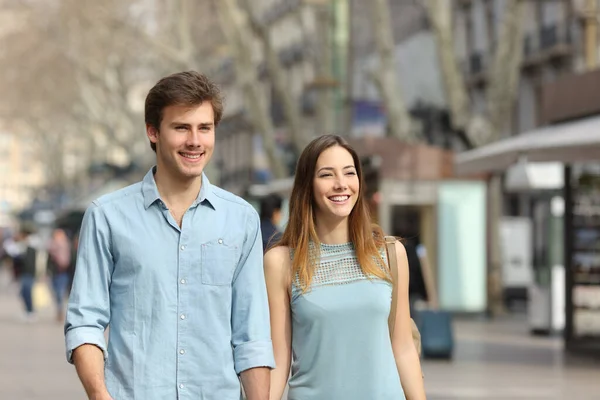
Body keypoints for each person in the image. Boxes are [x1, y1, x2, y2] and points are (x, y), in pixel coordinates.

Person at [65, 71, 275, 400]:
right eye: (181, 127)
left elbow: (252, 337)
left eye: (204, 128)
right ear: (153, 132)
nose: (195, 140)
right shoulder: (106, 216)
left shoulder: (242, 219)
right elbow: (85, 322)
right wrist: (100, 395)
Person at [264, 135, 426, 400]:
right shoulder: (280, 261)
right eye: (327, 175)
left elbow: (404, 348)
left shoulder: (390, 254)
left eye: (349, 173)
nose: (341, 184)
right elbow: (278, 361)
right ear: (307, 185)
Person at [47, 228, 72, 322]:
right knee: (56, 292)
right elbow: (48, 261)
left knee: (60, 292)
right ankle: (59, 309)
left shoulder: (66, 246)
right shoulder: (50, 246)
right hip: (54, 272)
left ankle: (60, 311)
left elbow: (69, 260)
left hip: (63, 273)